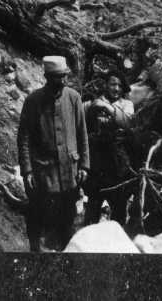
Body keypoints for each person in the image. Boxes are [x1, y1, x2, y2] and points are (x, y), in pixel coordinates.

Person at [17, 55, 89, 251]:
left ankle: (65, 255)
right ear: (47, 77)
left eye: (65, 76)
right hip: (44, 173)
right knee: (39, 216)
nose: (63, 80)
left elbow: (82, 134)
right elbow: (24, 139)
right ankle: (37, 252)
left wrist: (84, 165)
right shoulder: (33, 101)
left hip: (69, 172)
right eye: (58, 77)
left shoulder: (73, 98)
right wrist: (27, 170)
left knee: (68, 219)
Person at [81, 75, 136, 227]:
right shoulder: (92, 103)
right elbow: (81, 126)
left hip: (118, 164)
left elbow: (128, 122)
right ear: (105, 85)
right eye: (112, 84)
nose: (116, 89)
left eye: (119, 86)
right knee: (93, 203)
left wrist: (107, 108)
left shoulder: (127, 105)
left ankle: (117, 237)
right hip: (97, 162)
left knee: (119, 205)